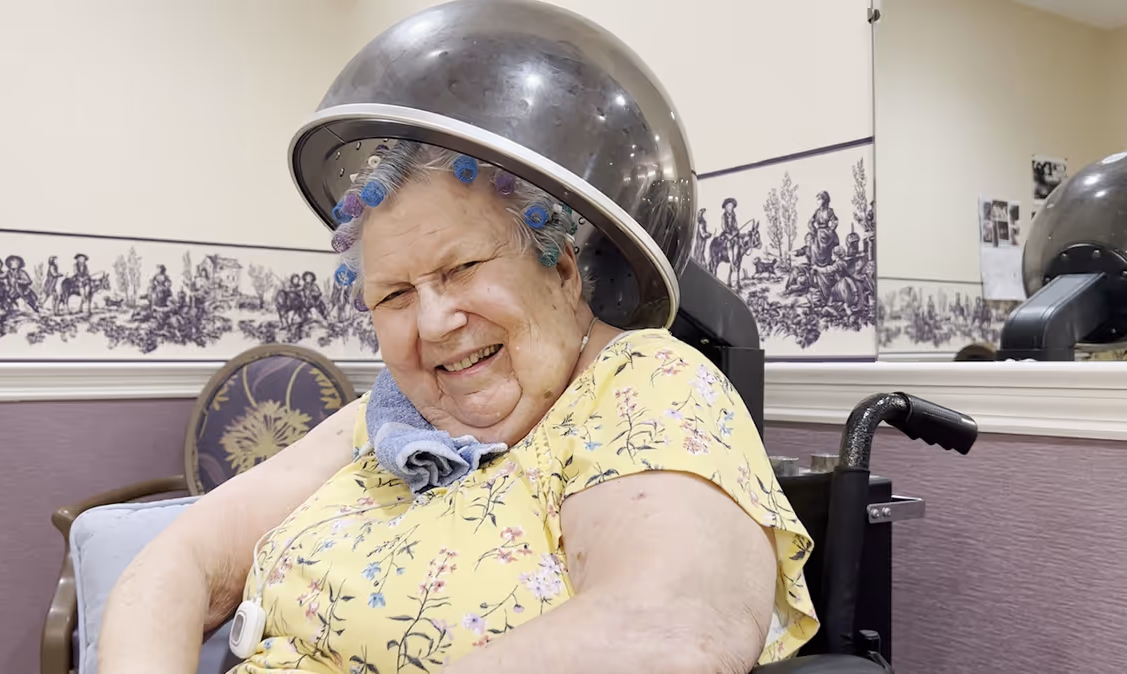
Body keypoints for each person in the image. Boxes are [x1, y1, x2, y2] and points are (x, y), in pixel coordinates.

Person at [100, 142, 818, 674]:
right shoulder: (390, 414)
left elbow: (667, 633)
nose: (436, 321)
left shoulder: (641, 384)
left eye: (462, 268)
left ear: (562, 270)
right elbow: (184, 558)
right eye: (394, 295)